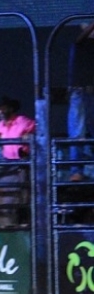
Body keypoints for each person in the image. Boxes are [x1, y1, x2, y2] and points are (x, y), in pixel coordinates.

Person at [66, 22, 94, 182]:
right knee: (77, 132)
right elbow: (79, 39)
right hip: (81, 92)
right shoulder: (79, 45)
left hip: (89, 92)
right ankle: (76, 169)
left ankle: (79, 169)